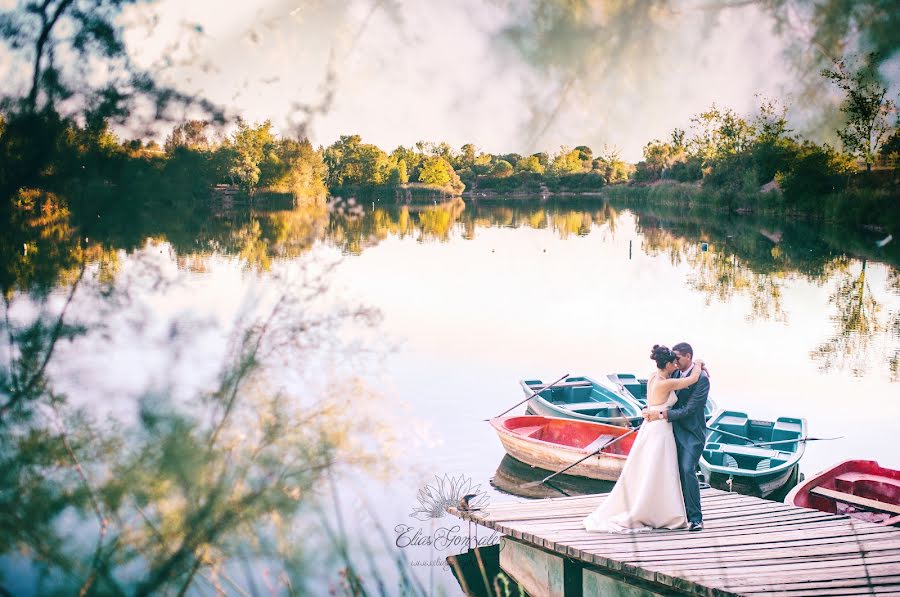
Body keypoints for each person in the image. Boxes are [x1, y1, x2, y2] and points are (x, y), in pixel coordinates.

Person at [582, 345, 704, 533]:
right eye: (674, 361)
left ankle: (681, 514)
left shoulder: (655, 377)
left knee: (659, 469)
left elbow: (684, 401)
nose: (677, 364)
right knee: (657, 470)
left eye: (679, 359)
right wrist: (699, 363)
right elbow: (692, 379)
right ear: (669, 364)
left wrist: (657, 412)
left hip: (659, 426)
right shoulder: (667, 381)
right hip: (660, 429)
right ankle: (657, 510)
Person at [648, 341, 710, 531]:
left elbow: (691, 409)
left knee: (687, 469)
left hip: (692, 433)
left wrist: (662, 414)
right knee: (668, 472)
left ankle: (696, 518)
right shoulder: (672, 373)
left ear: (688, 357)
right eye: (673, 359)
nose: (674, 361)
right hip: (670, 431)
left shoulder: (702, 379)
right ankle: (669, 513)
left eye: (678, 358)